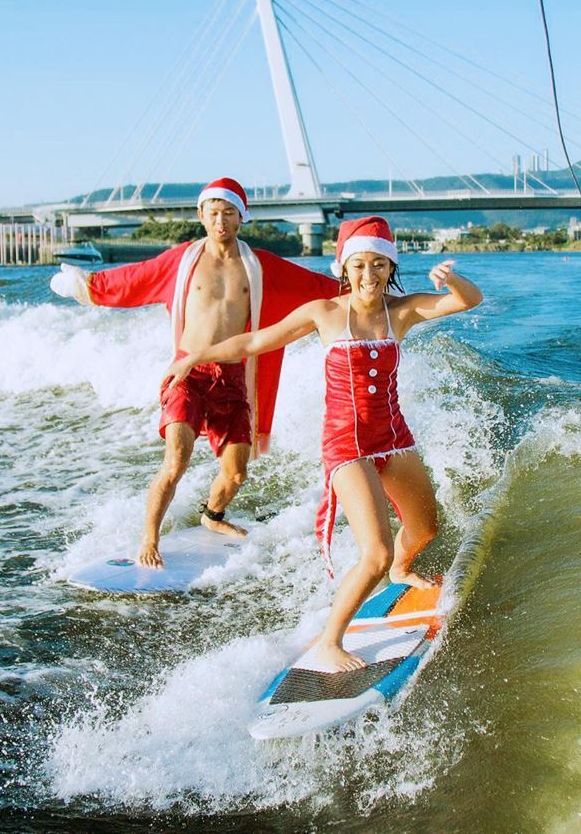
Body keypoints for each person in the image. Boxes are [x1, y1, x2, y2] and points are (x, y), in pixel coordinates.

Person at [163, 216, 483, 671]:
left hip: (393, 436)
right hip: (346, 445)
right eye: (359, 265)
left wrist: (451, 280)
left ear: (390, 267)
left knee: (425, 529)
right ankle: (330, 641)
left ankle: (401, 569)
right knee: (375, 553)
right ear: (344, 268)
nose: (369, 275)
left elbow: (469, 300)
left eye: (378, 265)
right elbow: (255, 341)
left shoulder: (403, 311)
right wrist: (195, 356)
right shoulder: (324, 312)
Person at [50, 177, 338, 568]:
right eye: (213, 213)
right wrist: (87, 285)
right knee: (176, 461)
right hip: (187, 375)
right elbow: (135, 278)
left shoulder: (259, 266)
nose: (220, 221)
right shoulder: (182, 261)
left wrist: (355, 286)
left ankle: (212, 516)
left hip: (233, 378)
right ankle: (150, 538)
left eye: (229, 213)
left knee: (236, 474)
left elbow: (311, 285)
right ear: (201, 215)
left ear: (241, 217)